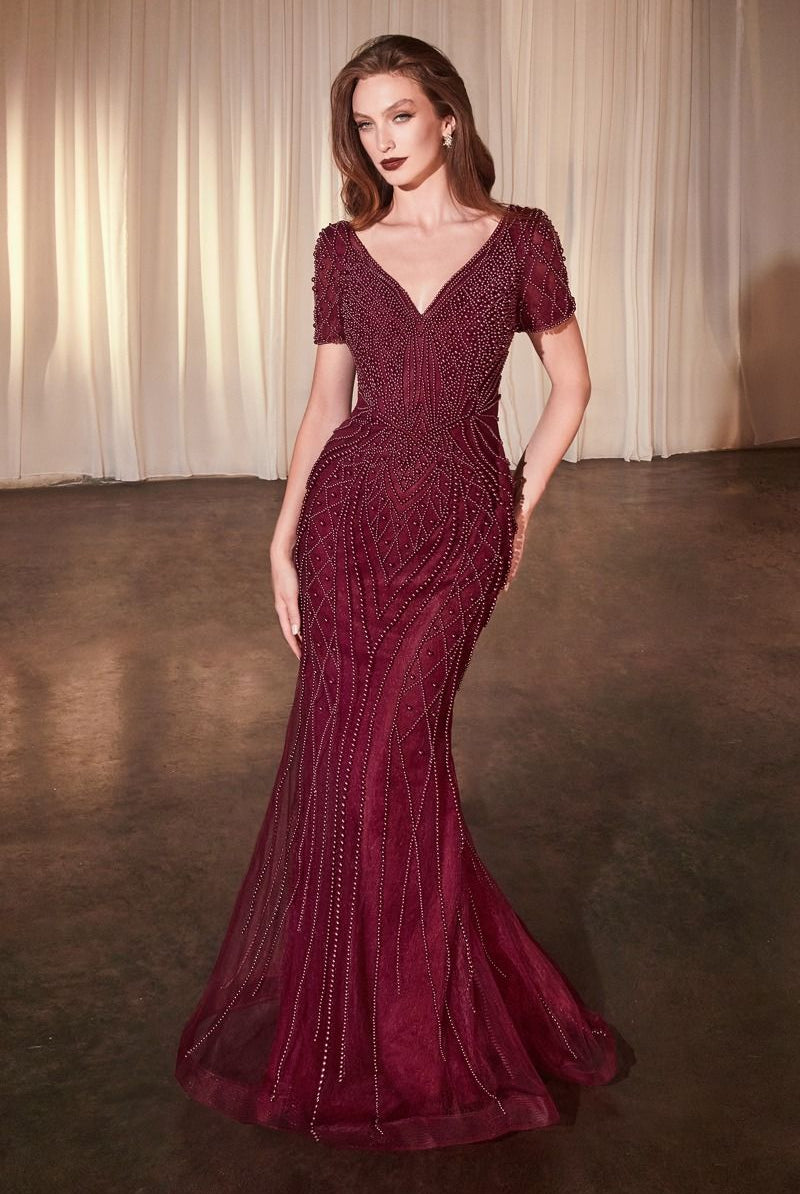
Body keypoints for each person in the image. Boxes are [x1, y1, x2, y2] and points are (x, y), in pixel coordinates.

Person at [175, 33, 617, 1150]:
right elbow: (327, 406)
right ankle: (355, 1015)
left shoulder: (519, 239)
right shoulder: (342, 248)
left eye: (400, 116)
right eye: (363, 125)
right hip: (347, 529)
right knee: (347, 774)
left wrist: (519, 503)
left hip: (460, 530)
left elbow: (570, 385)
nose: (381, 140)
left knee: (395, 762)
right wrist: (281, 539)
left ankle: (423, 1025)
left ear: (448, 118)